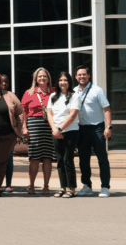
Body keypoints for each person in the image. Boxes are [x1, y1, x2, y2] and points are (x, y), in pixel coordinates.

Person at [74, 65, 113, 197]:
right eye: (79, 75)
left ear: (89, 76)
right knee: (83, 160)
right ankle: (86, 186)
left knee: (102, 158)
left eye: (84, 74)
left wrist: (108, 127)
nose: (82, 77)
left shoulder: (97, 90)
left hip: (97, 128)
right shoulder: (74, 91)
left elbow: (107, 109)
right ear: (76, 77)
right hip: (81, 129)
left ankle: (105, 187)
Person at [21, 67, 56, 195]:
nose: (42, 78)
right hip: (34, 125)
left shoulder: (53, 92)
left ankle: (46, 186)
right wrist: (24, 127)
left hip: (49, 126)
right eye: (39, 76)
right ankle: (31, 185)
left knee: (48, 157)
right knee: (34, 157)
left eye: (44, 76)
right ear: (35, 79)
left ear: (48, 78)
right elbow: (23, 112)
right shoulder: (29, 93)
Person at [47, 71, 81, 198]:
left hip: (70, 131)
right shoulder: (53, 96)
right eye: (61, 80)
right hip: (56, 131)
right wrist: (54, 130)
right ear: (57, 82)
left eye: (65, 80)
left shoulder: (74, 96)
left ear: (70, 82)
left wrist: (60, 129)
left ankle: (71, 189)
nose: (63, 83)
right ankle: (63, 187)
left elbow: (72, 115)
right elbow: (49, 114)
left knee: (68, 159)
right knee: (59, 160)